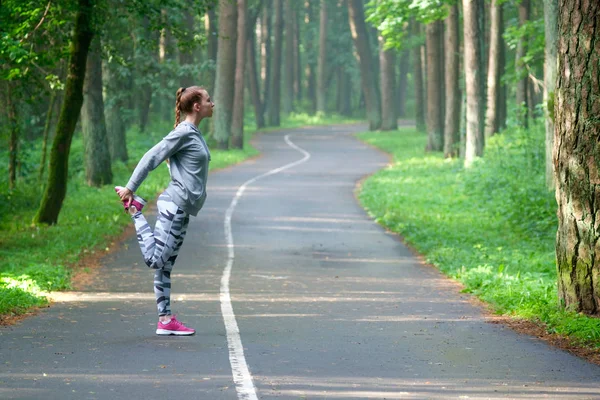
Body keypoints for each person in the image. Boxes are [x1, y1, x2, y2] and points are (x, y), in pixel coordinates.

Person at [115, 86, 214, 336]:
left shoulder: (193, 133)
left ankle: (165, 319)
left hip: (183, 207)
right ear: (196, 106)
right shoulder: (183, 133)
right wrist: (130, 188)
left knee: (165, 265)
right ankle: (136, 210)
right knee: (155, 260)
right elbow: (151, 157)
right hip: (175, 205)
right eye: (208, 100)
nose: (213, 104)